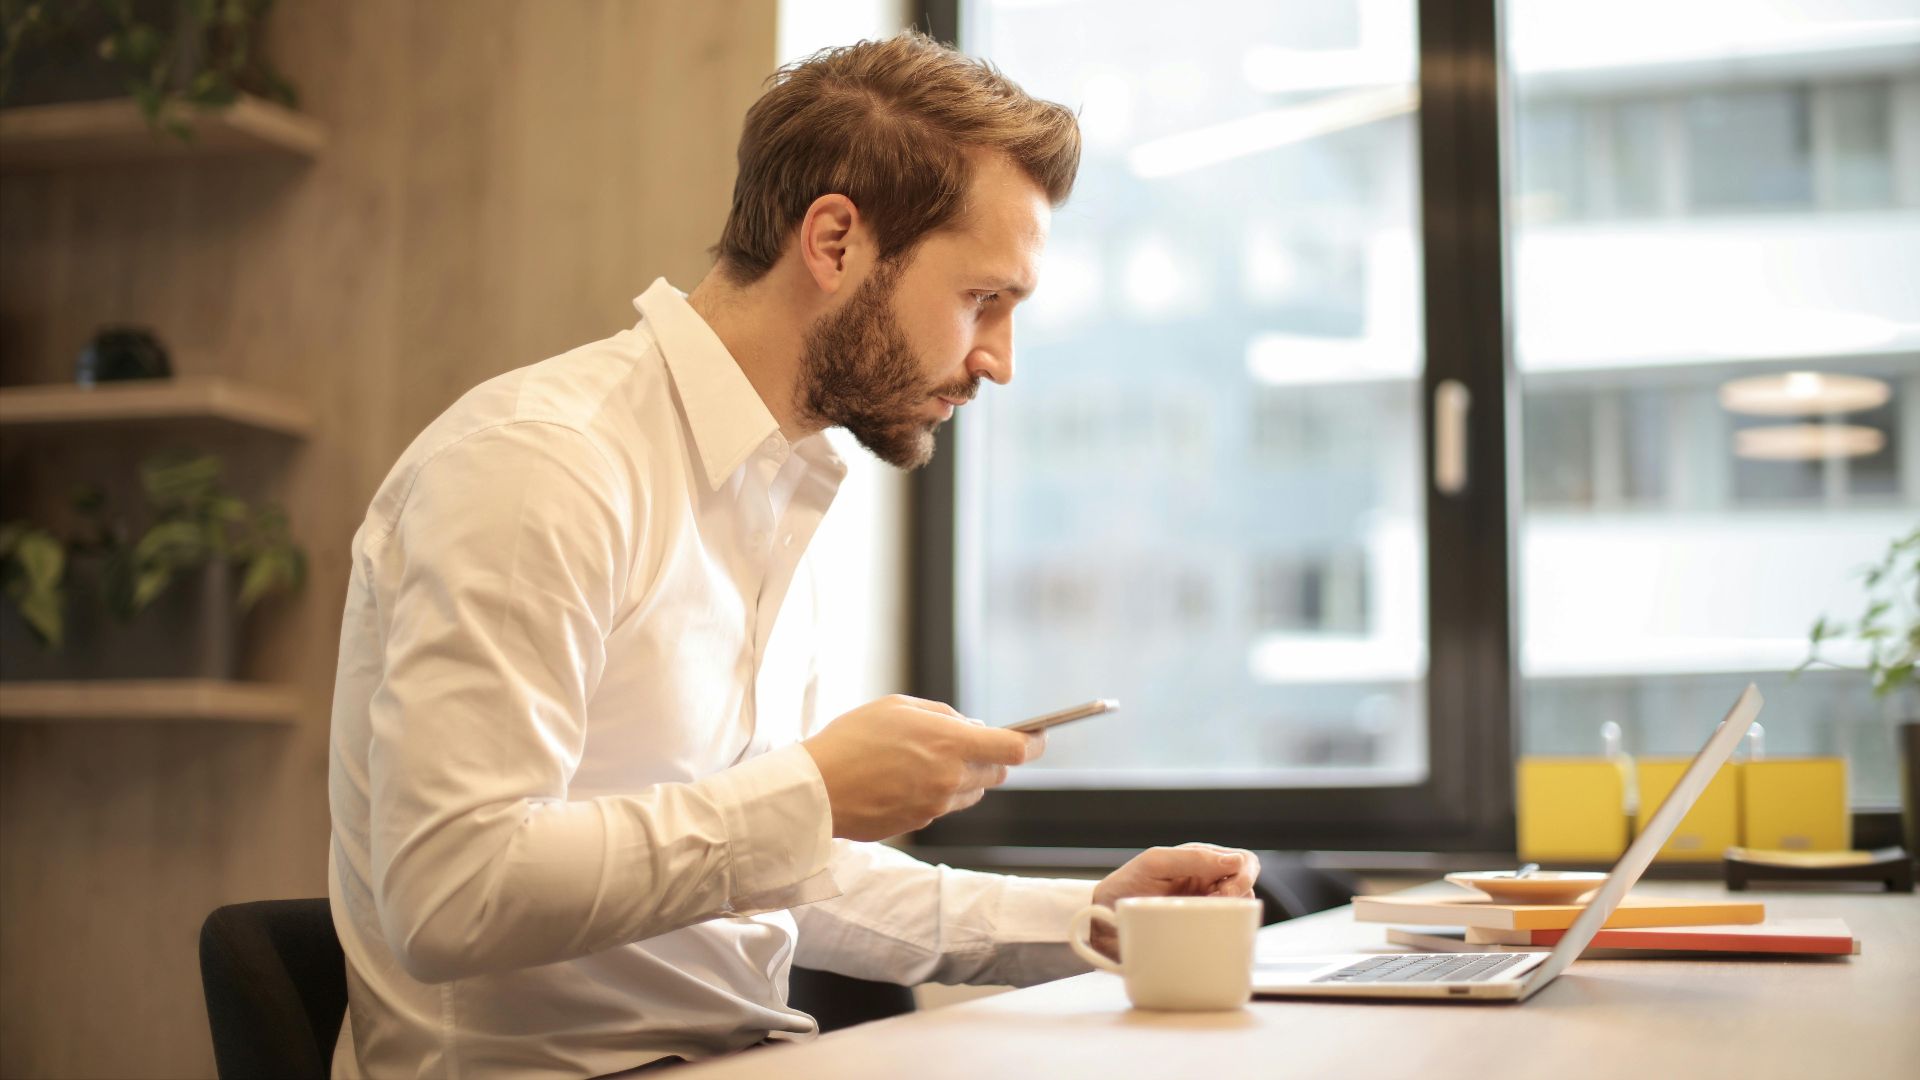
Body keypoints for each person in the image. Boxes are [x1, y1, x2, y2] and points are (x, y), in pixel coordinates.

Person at [327, 32, 1258, 1079]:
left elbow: (751, 872)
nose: (998, 360)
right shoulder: (542, 467)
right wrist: (810, 792)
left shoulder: (776, 489)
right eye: (981, 300)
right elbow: (451, 894)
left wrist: (1084, 918)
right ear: (834, 242)